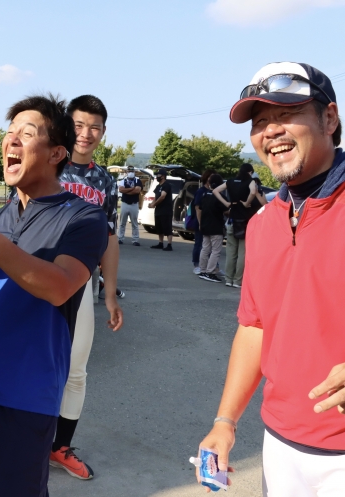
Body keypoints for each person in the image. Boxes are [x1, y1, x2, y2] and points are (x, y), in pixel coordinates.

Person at [0, 94, 110, 496]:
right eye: (9, 132)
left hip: (27, 396)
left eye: (26, 134)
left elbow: (59, 287)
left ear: (56, 153)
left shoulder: (83, 217)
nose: (10, 141)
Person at [196, 62, 345, 496]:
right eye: (260, 122)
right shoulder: (264, 223)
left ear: (329, 119)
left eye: (287, 114)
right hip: (281, 445)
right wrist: (225, 421)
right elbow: (255, 326)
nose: (271, 130)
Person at [52, 95, 124, 480]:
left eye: (94, 127)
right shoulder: (47, 163)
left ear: (103, 132)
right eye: (79, 125)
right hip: (39, 279)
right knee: (33, 363)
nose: (86, 133)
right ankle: (21, 440)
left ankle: (59, 447)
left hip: (81, 285)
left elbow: (109, 239)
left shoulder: (105, 181)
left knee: (76, 370)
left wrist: (109, 294)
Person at [212, 163, 257, 288]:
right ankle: (237, 281)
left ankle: (228, 279)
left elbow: (215, 191)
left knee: (231, 252)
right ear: (250, 172)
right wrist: (247, 203)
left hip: (232, 220)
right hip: (244, 221)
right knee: (242, 253)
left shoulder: (230, 181)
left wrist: (226, 203)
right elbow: (253, 192)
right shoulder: (250, 181)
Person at [197, 174, 225, 283]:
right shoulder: (219, 196)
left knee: (205, 249)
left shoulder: (205, 194)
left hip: (205, 225)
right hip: (216, 226)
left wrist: (200, 223)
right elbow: (226, 209)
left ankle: (202, 270)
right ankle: (210, 272)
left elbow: (200, 208)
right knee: (215, 251)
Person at [191, 169, 216, 275]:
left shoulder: (214, 191)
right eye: (211, 177)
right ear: (206, 178)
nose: (212, 179)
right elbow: (197, 208)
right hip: (200, 222)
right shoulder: (201, 191)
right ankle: (197, 265)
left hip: (210, 223)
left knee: (211, 246)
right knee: (199, 244)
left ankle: (212, 267)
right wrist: (200, 223)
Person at [148, 168, 174, 251]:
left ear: (163, 176)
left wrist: (154, 204)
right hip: (158, 210)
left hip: (166, 210)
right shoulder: (158, 186)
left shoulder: (166, 185)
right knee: (159, 227)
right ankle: (160, 243)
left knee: (167, 227)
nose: (157, 176)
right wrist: (151, 204)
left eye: (158, 175)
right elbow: (156, 197)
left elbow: (163, 196)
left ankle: (169, 244)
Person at [118, 166, 143, 246]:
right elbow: (121, 190)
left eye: (132, 171)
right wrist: (132, 189)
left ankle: (135, 240)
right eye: (129, 171)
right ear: (126, 172)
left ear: (134, 172)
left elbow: (137, 190)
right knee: (122, 223)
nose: (130, 173)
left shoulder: (137, 181)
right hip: (125, 203)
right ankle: (120, 238)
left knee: (134, 223)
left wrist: (126, 191)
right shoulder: (123, 181)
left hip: (134, 204)